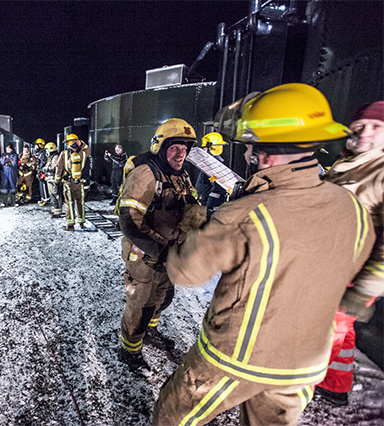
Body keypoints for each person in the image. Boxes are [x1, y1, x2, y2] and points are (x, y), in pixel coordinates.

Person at [153, 83, 376, 426]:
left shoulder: (245, 215)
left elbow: (185, 272)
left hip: (237, 358)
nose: (246, 155)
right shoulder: (352, 208)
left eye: (249, 148)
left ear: (265, 155)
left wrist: (197, 223)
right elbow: (350, 263)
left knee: (172, 414)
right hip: (304, 365)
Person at [117, 118, 205, 374]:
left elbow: (190, 209)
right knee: (141, 305)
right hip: (144, 254)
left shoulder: (181, 175)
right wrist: (163, 251)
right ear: (160, 146)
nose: (181, 153)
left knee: (163, 297)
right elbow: (129, 221)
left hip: (170, 252)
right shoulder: (146, 173)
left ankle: (150, 332)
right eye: (174, 147)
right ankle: (129, 350)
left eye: (185, 148)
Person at [315, 101, 384, 406]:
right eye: (361, 126)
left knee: (324, 334)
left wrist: (366, 289)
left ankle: (301, 385)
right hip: (333, 267)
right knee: (341, 333)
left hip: (353, 275)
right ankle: (335, 386)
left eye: (376, 126)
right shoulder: (349, 164)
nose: (366, 132)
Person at [55, 134, 91, 230]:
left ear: (69, 144)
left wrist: (57, 180)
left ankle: (70, 224)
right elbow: (88, 149)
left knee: (69, 203)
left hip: (68, 183)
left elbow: (59, 167)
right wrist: (82, 144)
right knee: (80, 202)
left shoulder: (64, 154)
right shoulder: (83, 154)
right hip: (80, 183)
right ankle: (81, 222)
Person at [194, 132, 229, 219]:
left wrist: (208, 211)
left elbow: (216, 193)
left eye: (204, 148)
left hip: (207, 211)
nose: (203, 149)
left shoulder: (215, 167)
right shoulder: (209, 165)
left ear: (211, 148)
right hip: (203, 208)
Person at [43, 142, 63, 216]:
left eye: (47, 150)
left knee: (56, 194)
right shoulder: (51, 157)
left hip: (54, 179)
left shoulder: (55, 157)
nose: (46, 152)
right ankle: (54, 209)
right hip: (50, 179)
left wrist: (45, 169)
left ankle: (57, 211)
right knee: (51, 194)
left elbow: (54, 168)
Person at [34, 138, 50, 206]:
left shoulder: (42, 153)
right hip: (41, 171)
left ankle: (46, 199)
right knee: (41, 185)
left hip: (43, 172)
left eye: (37, 145)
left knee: (43, 185)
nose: (35, 146)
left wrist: (40, 169)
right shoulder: (40, 152)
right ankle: (43, 198)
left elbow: (42, 162)